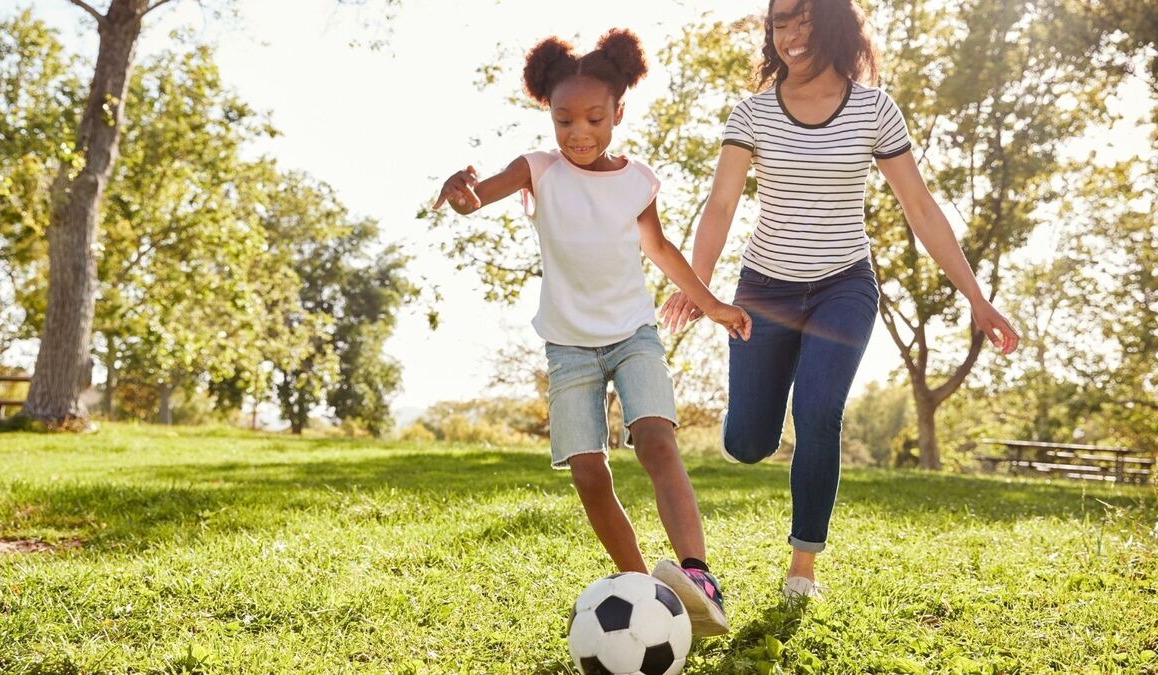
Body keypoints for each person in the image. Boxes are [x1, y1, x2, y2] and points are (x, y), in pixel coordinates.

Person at [660, 0, 1020, 601]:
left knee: (821, 410)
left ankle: (803, 569)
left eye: (803, 18)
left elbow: (921, 208)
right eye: (780, 22)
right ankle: (756, 418)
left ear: (832, 23)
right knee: (748, 444)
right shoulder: (751, 113)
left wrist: (976, 297)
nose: (791, 35)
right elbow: (721, 204)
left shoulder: (874, 108)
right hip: (765, 291)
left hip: (843, 287)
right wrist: (698, 286)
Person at [431, 28, 752, 636]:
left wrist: (709, 304)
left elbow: (659, 247)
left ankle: (697, 575)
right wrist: (460, 192)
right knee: (588, 473)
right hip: (569, 345)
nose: (579, 132)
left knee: (657, 440)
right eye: (564, 119)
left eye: (594, 118)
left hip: (633, 333)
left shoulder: (638, 181)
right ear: (548, 116)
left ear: (618, 113)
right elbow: (478, 200)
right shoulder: (538, 170)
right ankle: (644, 590)